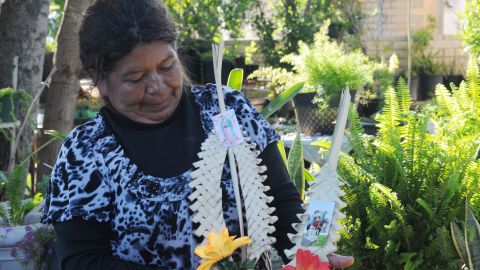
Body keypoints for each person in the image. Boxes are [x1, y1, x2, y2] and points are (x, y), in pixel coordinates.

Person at [41, 0, 352, 269]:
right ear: (100, 81)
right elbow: (80, 260)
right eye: (135, 78)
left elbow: (283, 202)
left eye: (166, 67)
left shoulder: (227, 110)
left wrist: (312, 255)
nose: (157, 87)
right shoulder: (86, 152)